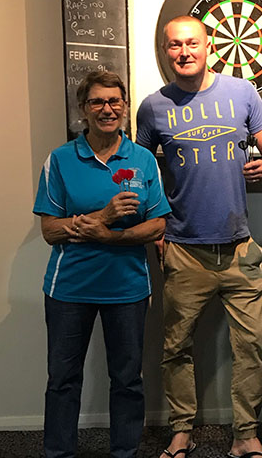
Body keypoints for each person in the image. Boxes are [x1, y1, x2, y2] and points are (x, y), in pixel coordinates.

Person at [136, 15, 262, 458]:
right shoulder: (153, 107)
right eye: (175, 45)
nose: (184, 52)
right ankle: (182, 431)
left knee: (252, 347)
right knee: (175, 348)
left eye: (192, 43)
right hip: (183, 250)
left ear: (209, 47)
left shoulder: (242, 92)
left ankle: (245, 436)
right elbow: (141, 173)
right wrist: (155, 228)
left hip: (240, 248)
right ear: (166, 51)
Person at [33, 70, 170, 458]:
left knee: (127, 379)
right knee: (62, 380)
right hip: (69, 288)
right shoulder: (61, 160)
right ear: (83, 108)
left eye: (114, 101)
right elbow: (50, 231)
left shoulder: (143, 160)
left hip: (127, 288)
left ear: (124, 107)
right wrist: (103, 217)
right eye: (97, 102)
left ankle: (124, 453)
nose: (107, 109)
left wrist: (113, 237)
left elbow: (158, 224)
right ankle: (59, 453)